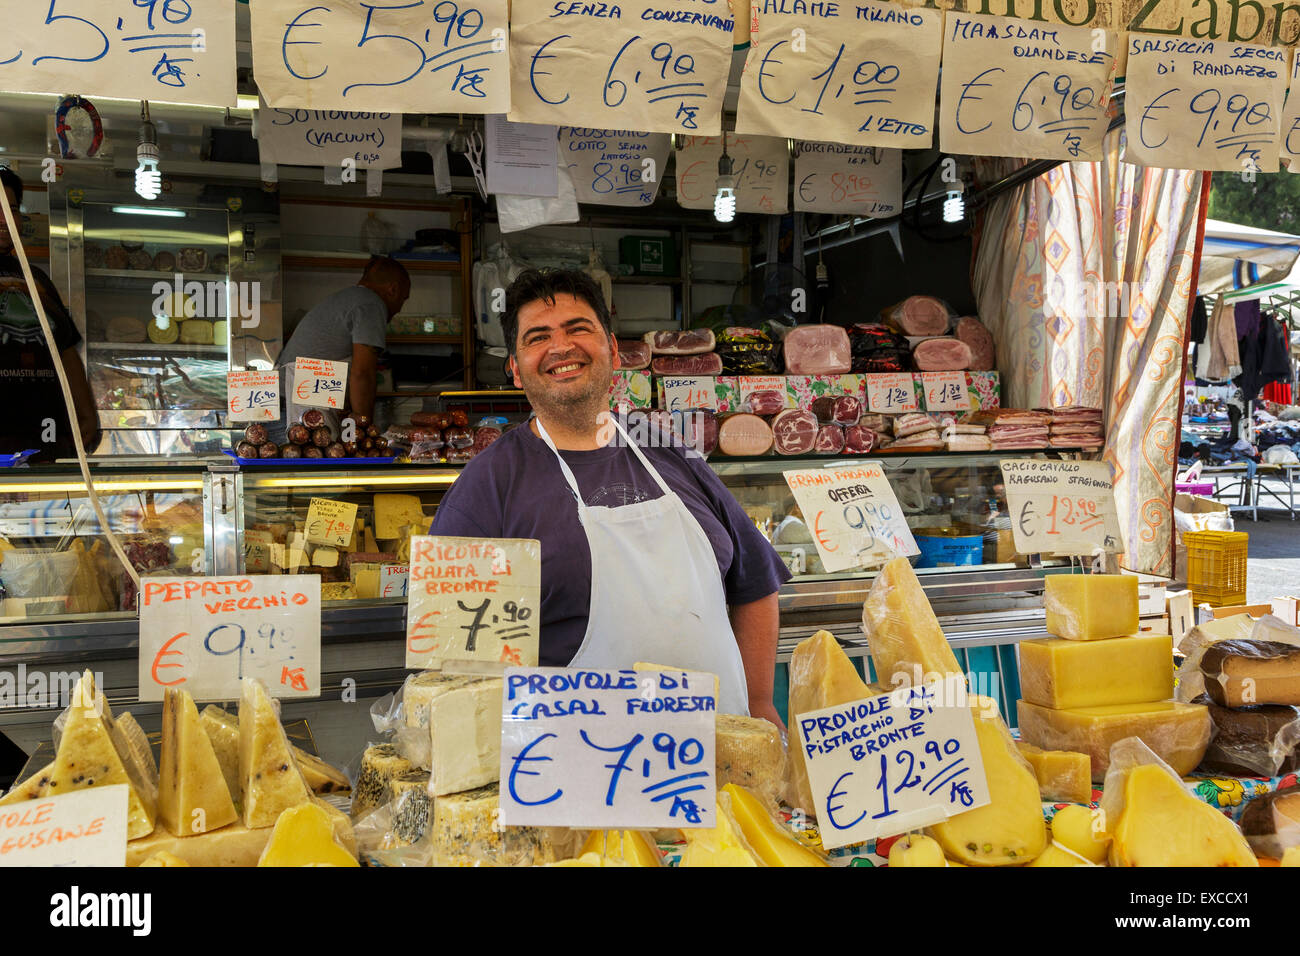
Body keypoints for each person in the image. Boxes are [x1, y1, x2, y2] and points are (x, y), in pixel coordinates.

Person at [429, 268, 791, 726]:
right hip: (575, 774)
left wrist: (758, 703)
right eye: (538, 337)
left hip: (721, 766)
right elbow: (457, 666)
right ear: (515, 370)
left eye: (578, 328)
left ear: (614, 351)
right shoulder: (486, 488)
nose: (561, 347)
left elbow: (755, 583)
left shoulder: (669, 451)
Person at [0, 167, 100, 462]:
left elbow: (66, 350)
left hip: (44, 443)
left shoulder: (36, 280)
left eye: (13, 209)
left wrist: (86, 417)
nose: (6, 220)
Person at [274, 255, 410, 436]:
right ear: (393, 289)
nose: (400, 308)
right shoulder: (371, 304)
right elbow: (363, 374)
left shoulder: (348, 299)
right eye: (404, 298)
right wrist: (364, 433)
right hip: (296, 415)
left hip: (284, 408)